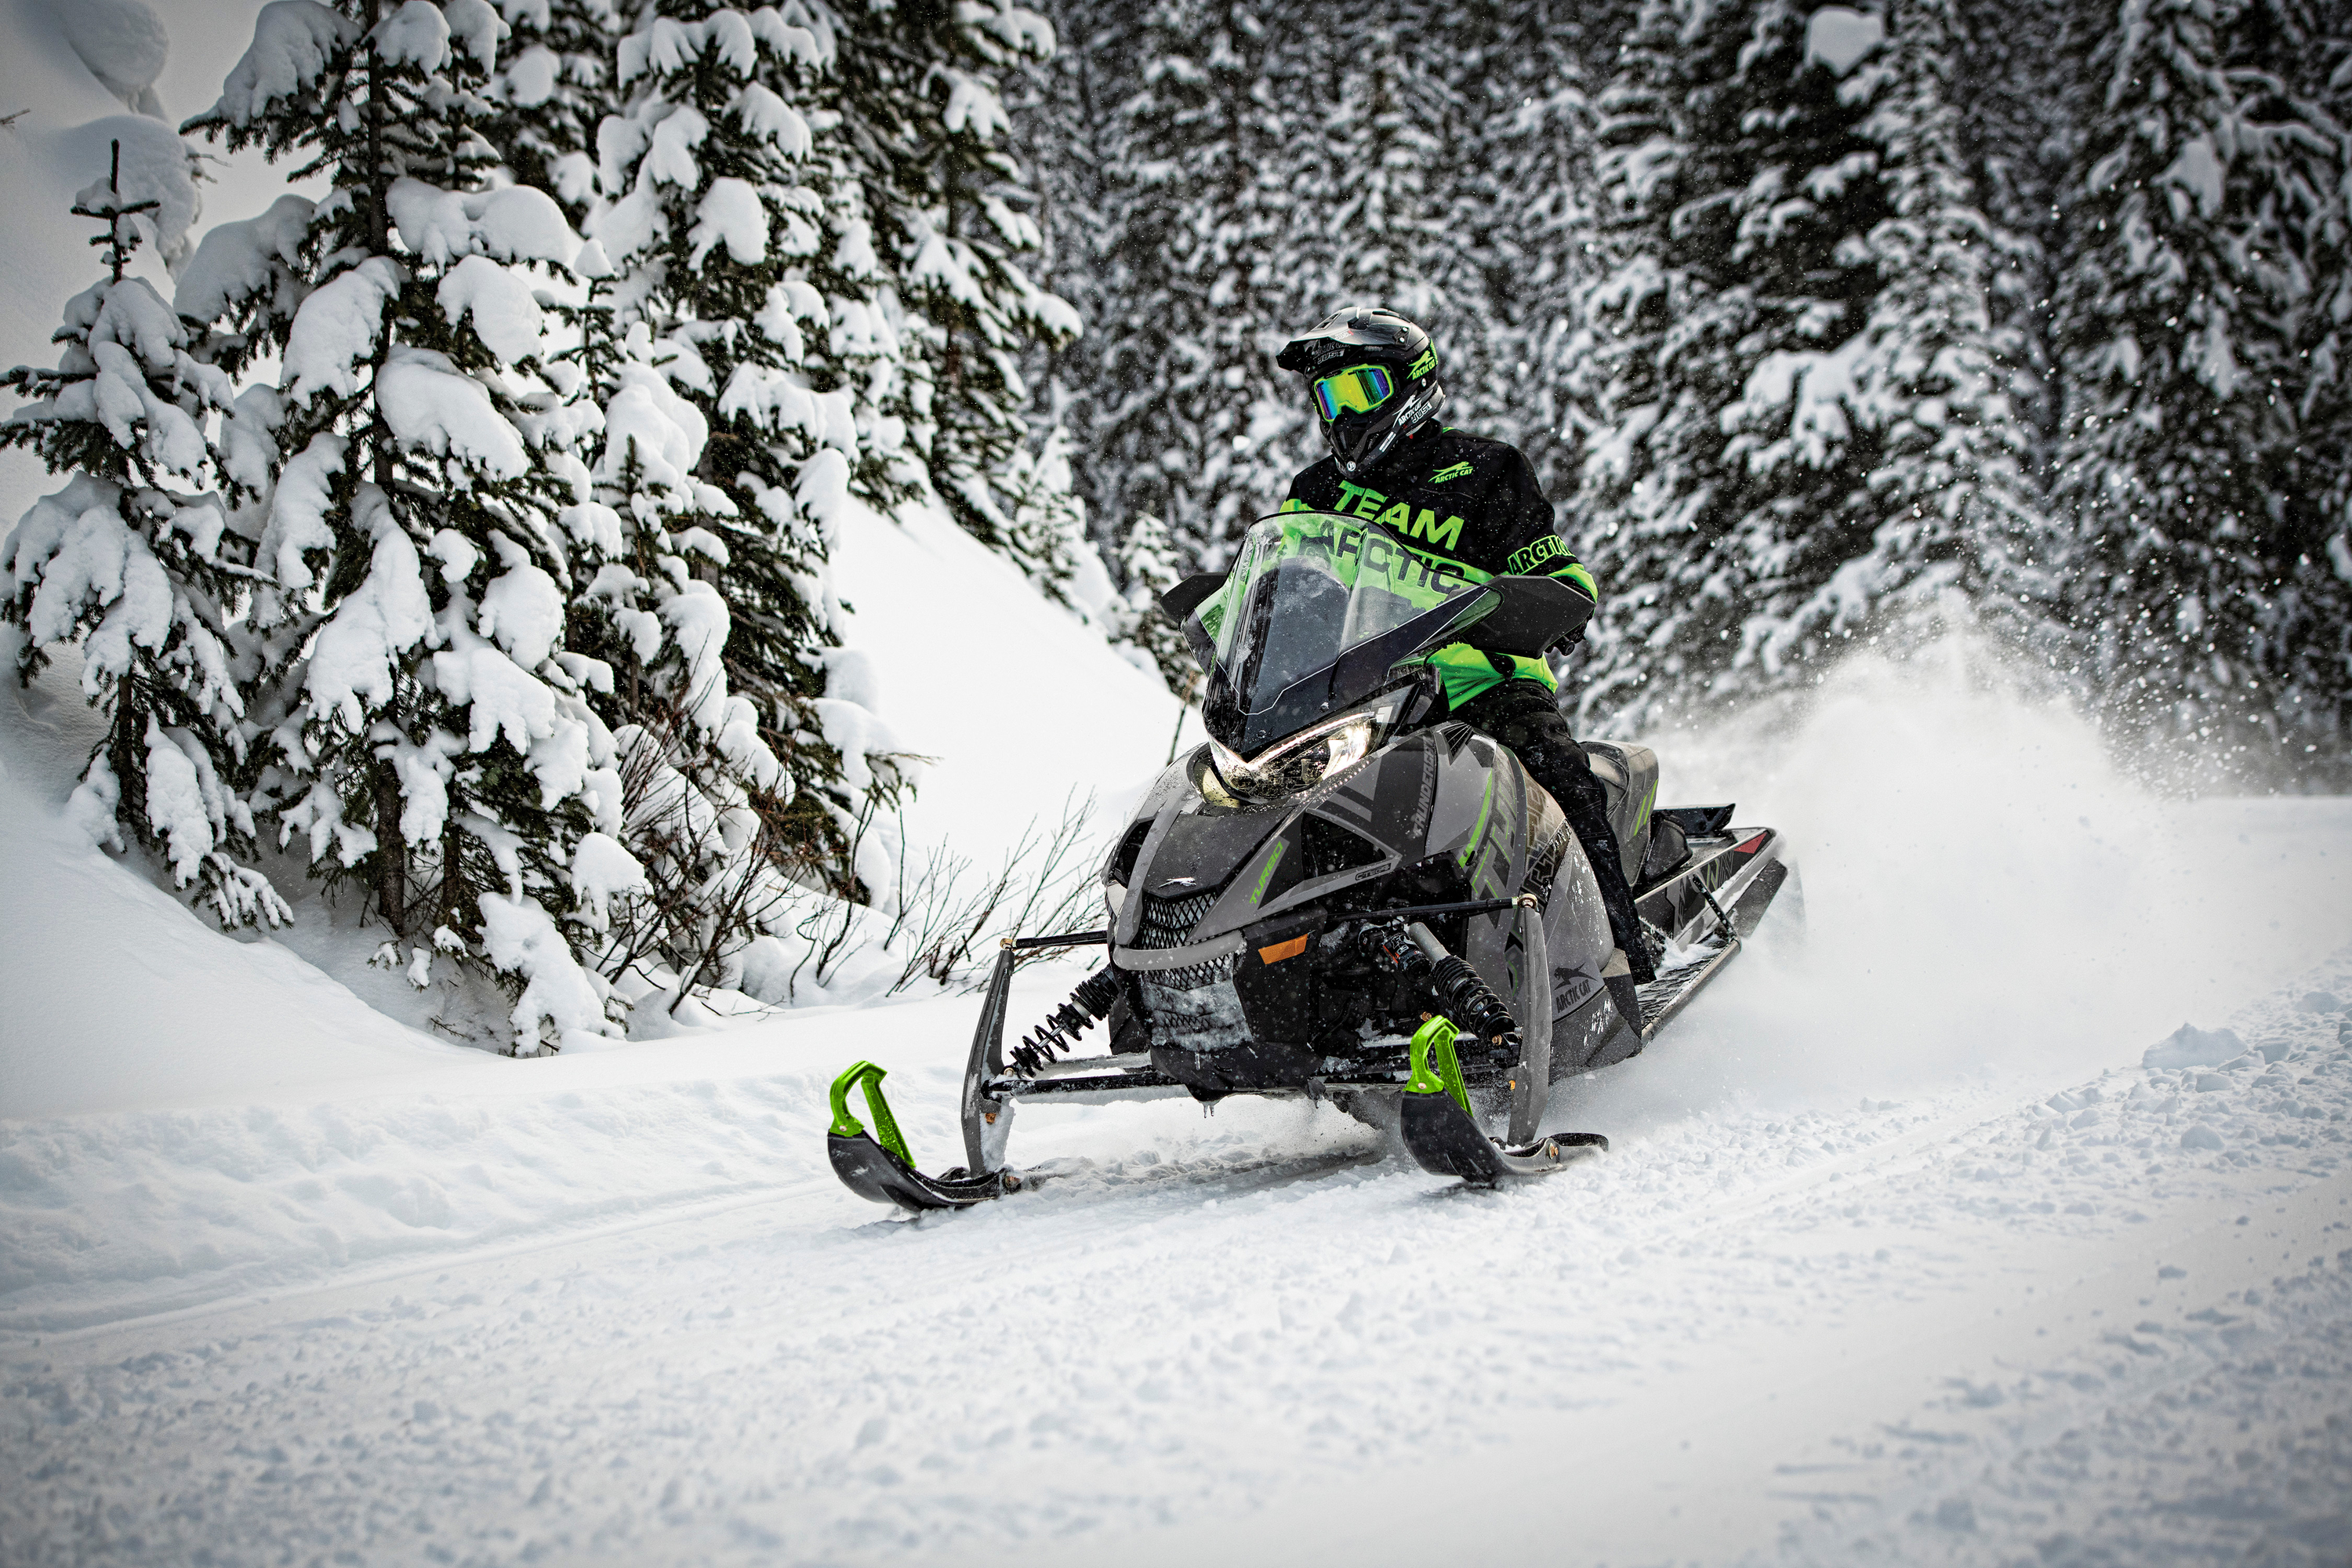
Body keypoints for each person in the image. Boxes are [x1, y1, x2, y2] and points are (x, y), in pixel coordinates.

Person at [1275, 304, 1660, 982]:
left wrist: (1549, 601)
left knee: (1559, 775)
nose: (1339, 413)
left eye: (1358, 391)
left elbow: (1551, 564)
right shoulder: (1316, 492)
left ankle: (1625, 956)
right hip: (1351, 698)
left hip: (1482, 685)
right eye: (1326, 396)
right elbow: (1284, 580)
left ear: (1411, 383)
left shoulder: (1485, 470)